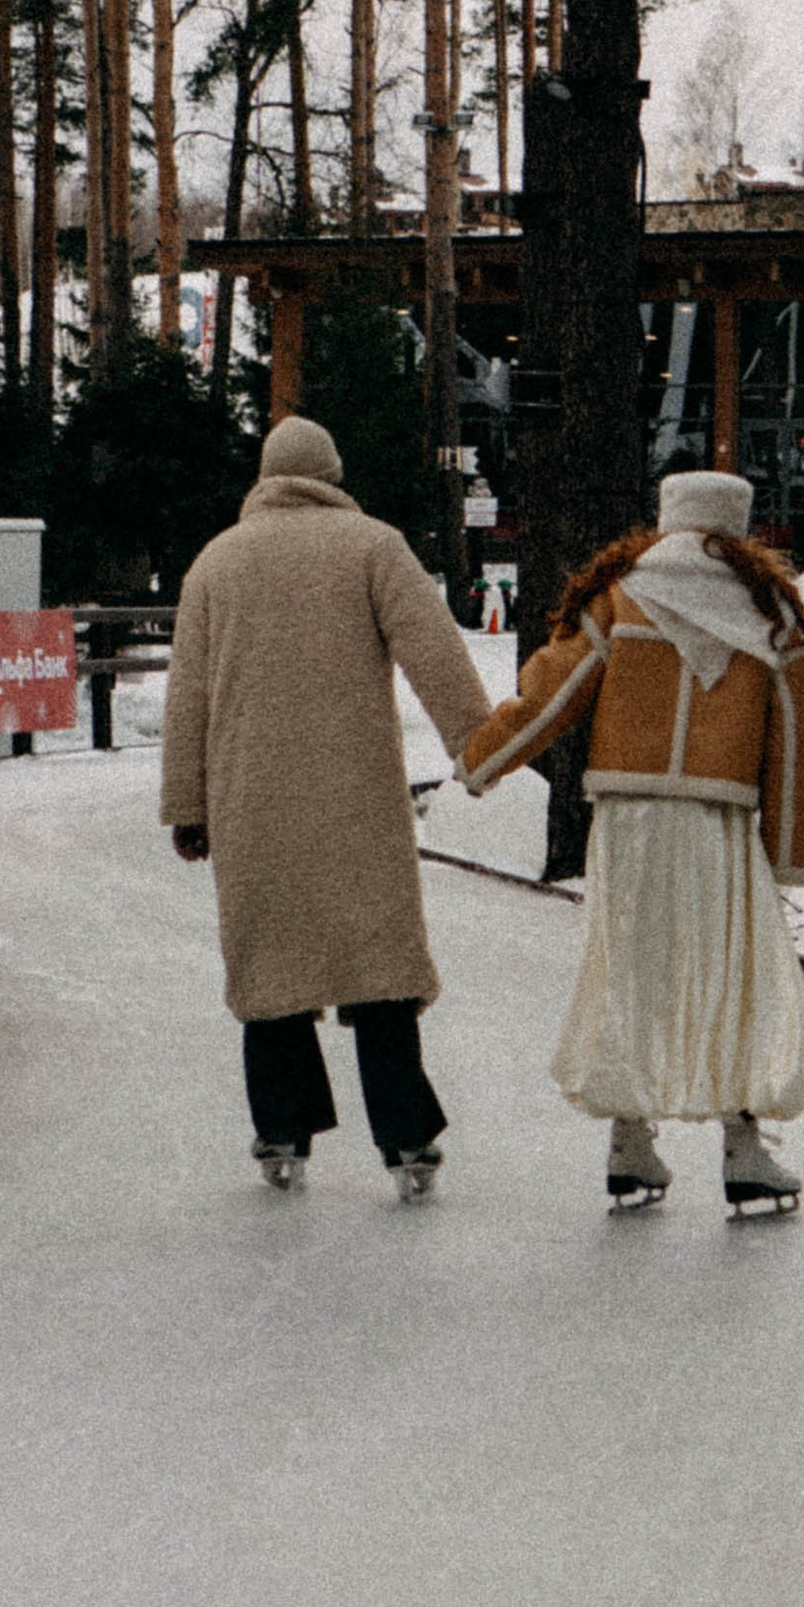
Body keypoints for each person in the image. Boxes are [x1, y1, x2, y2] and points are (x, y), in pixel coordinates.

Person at [456, 469, 804, 1218]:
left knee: (628, 970)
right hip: (718, 821)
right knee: (731, 979)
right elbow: (792, 746)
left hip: (627, 819)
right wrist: (784, 852)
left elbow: (550, 695)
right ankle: (743, 1147)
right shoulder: (770, 612)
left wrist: (483, 761)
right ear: (737, 527)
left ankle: (628, 1141)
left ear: (667, 518)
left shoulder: (619, 596)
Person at [162, 414, 489, 1200]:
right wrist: (478, 743)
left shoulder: (216, 562)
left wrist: (188, 805)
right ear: (332, 475)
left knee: (271, 971)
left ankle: (282, 1130)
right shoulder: (373, 546)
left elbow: (188, 696)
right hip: (358, 801)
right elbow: (433, 649)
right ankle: (408, 1139)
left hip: (251, 802)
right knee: (379, 969)